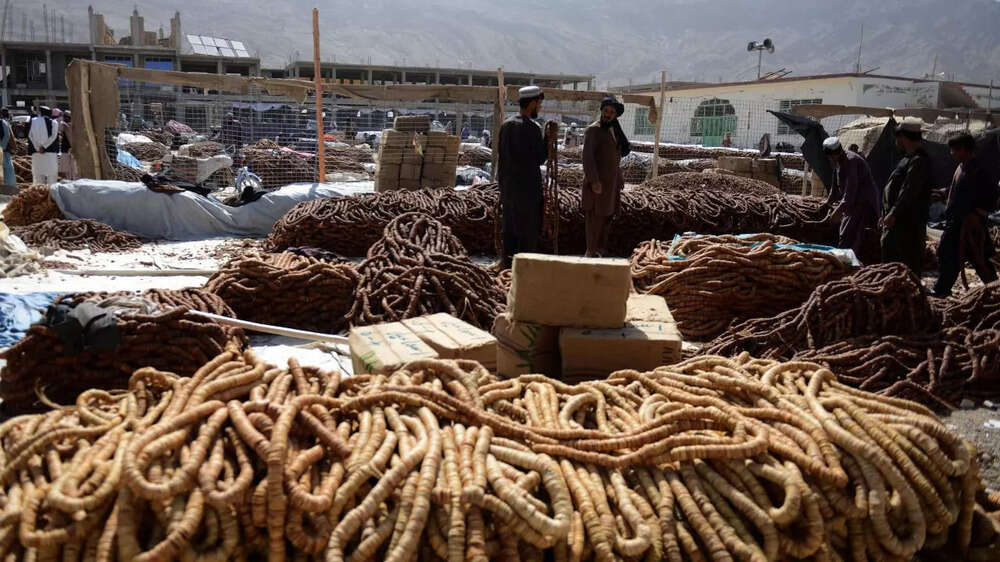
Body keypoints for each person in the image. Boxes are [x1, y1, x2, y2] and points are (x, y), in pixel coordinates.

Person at [932, 133, 998, 296]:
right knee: (947, 254)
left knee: (980, 259)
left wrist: (976, 215)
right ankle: (942, 289)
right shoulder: (961, 167)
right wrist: (942, 193)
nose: (952, 153)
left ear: (965, 149)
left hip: (970, 226)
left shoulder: (979, 171)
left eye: (955, 149)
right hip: (955, 223)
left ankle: (995, 291)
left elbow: (991, 197)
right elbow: (956, 190)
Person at [497, 86, 551, 268]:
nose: (540, 108)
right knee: (527, 236)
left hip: (509, 191)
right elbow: (539, 158)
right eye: (539, 104)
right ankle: (524, 273)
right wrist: (548, 140)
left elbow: (502, 159)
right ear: (533, 104)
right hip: (528, 193)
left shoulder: (505, 126)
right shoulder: (533, 129)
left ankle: (506, 269)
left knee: (510, 232)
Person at [880, 117, 933, 276]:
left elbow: (908, 190)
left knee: (907, 262)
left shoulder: (919, 161)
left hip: (908, 222)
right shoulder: (907, 158)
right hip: (897, 220)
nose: (896, 141)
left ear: (903, 138)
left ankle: (908, 295)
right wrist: (885, 212)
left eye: (898, 137)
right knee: (890, 257)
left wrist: (893, 213)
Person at [582, 96, 630, 257]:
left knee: (607, 218)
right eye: (606, 111)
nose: (608, 114)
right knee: (595, 219)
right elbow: (587, 157)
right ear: (601, 111)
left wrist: (620, 176)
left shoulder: (613, 130)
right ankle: (591, 251)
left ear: (615, 115)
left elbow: (615, 157)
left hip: (611, 184)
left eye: (611, 112)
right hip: (598, 184)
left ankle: (601, 251)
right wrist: (594, 181)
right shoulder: (593, 130)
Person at [821, 137, 882, 262]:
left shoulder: (851, 161)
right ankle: (847, 257)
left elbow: (850, 193)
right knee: (847, 230)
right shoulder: (837, 161)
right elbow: (835, 187)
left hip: (863, 201)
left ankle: (847, 262)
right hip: (852, 201)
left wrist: (837, 212)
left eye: (830, 156)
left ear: (834, 154)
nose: (829, 159)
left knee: (848, 232)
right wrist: (827, 203)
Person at [28, 106, 59, 185]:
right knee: (51, 177)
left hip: (37, 153)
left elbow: (30, 135)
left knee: (38, 177)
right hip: (50, 154)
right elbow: (53, 137)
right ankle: (51, 195)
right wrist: (44, 147)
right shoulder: (54, 122)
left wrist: (37, 147)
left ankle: (38, 195)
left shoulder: (33, 121)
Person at [57, 110, 77, 180]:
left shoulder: (73, 126)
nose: (66, 118)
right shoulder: (64, 125)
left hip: (72, 149)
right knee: (67, 169)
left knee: (73, 169)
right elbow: (59, 129)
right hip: (66, 149)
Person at [0, 108, 15, 188]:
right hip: (3, 152)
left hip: (3, 151)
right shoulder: (4, 123)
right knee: (8, 174)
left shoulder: (3, 123)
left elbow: (7, 136)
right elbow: (8, 136)